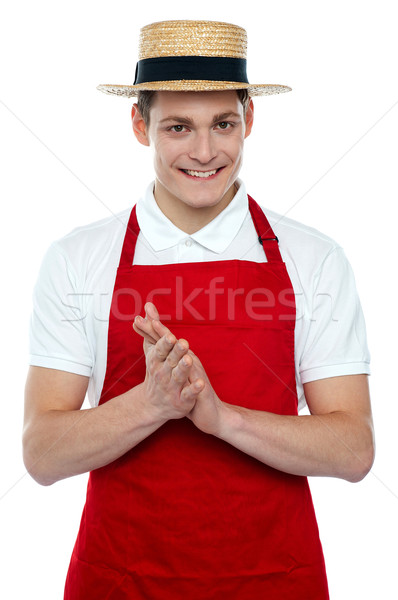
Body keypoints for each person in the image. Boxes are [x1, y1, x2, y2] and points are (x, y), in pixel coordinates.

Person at [23, 19, 374, 599]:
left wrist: (221, 419)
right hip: (121, 581)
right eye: (179, 127)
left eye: (224, 124)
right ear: (140, 124)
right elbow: (42, 455)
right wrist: (153, 402)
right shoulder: (79, 260)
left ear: (250, 121)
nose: (205, 152)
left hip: (274, 581)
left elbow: (354, 449)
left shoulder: (315, 260)